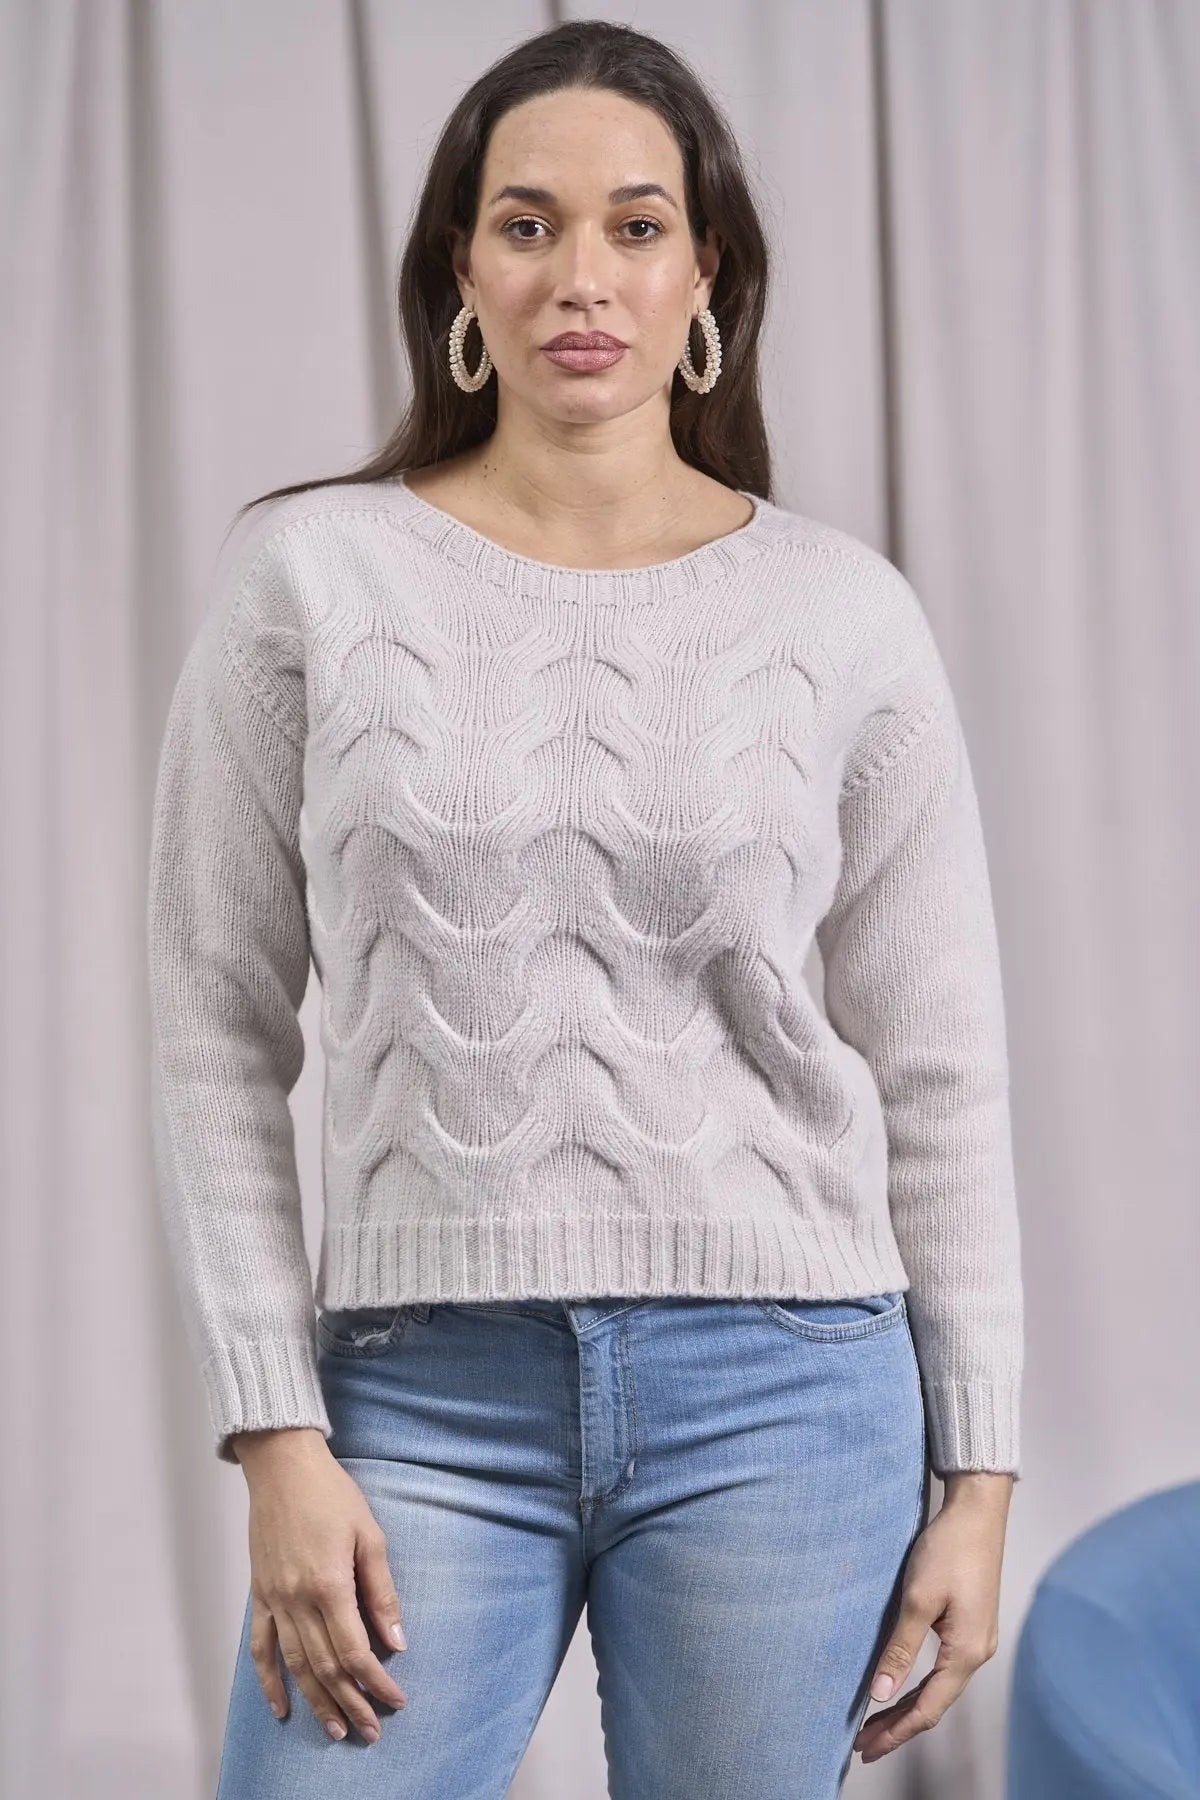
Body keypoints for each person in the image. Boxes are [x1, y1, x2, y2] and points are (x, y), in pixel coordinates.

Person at [145, 19, 1022, 1797]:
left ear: (707, 274)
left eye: (636, 225)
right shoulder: (312, 576)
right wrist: (274, 1432)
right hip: (417, 1393)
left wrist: (981, 1476)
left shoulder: (843, 612)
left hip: (790, 1393)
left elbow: (940, 1062)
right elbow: (210, 1019)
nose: (582, 277)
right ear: (461, 271)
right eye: (527, 224)